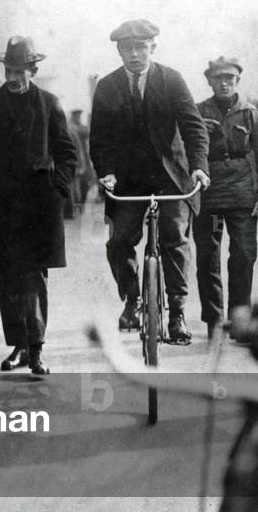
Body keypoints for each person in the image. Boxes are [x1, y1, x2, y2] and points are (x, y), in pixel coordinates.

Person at [89, 19, 210, 342]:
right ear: (119, 51)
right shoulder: (107, 86)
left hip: (170, 177)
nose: (134, 55)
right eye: (127, 49)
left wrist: (199, 167)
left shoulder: (171, 80)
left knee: (174, 239)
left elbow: (193, 127)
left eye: (141, 48)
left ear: (152, 48)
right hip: (128, 180)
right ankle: (133, 298)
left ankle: (177, 312)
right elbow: (99, 139)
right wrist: (107, 172)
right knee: (118, 242)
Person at [0, 36, 77, 375]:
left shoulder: (49, 105)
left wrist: (57, 189)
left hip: (38, 206)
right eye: (9, 71)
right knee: (8, 277)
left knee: (33, 277)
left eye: (20, 72)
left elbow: (68, 155)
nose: (13, 78)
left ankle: (36, 348)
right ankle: (18, 345)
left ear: (33, 70)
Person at [193, 57, 258, 339]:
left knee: (243, 254)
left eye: (229, 78)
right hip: (210, 196)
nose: (224, 83)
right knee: (209, 256)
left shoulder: (250, 114)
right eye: (218, 78)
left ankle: (239, 320)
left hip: (243, 196)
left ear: (237, 81)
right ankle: (214, 320)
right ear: (209, 81)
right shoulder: (198, 112)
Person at [68, 109, 94, 208]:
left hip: (85, 158)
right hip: (77, 158)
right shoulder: (71, 129)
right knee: (77, 185)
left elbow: (87, 133)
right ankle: (78, 205)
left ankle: (81, 204)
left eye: (79, 116)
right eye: (76, 116)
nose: (78, 118)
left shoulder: (81, 128)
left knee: (86, 184)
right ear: (73, 117)